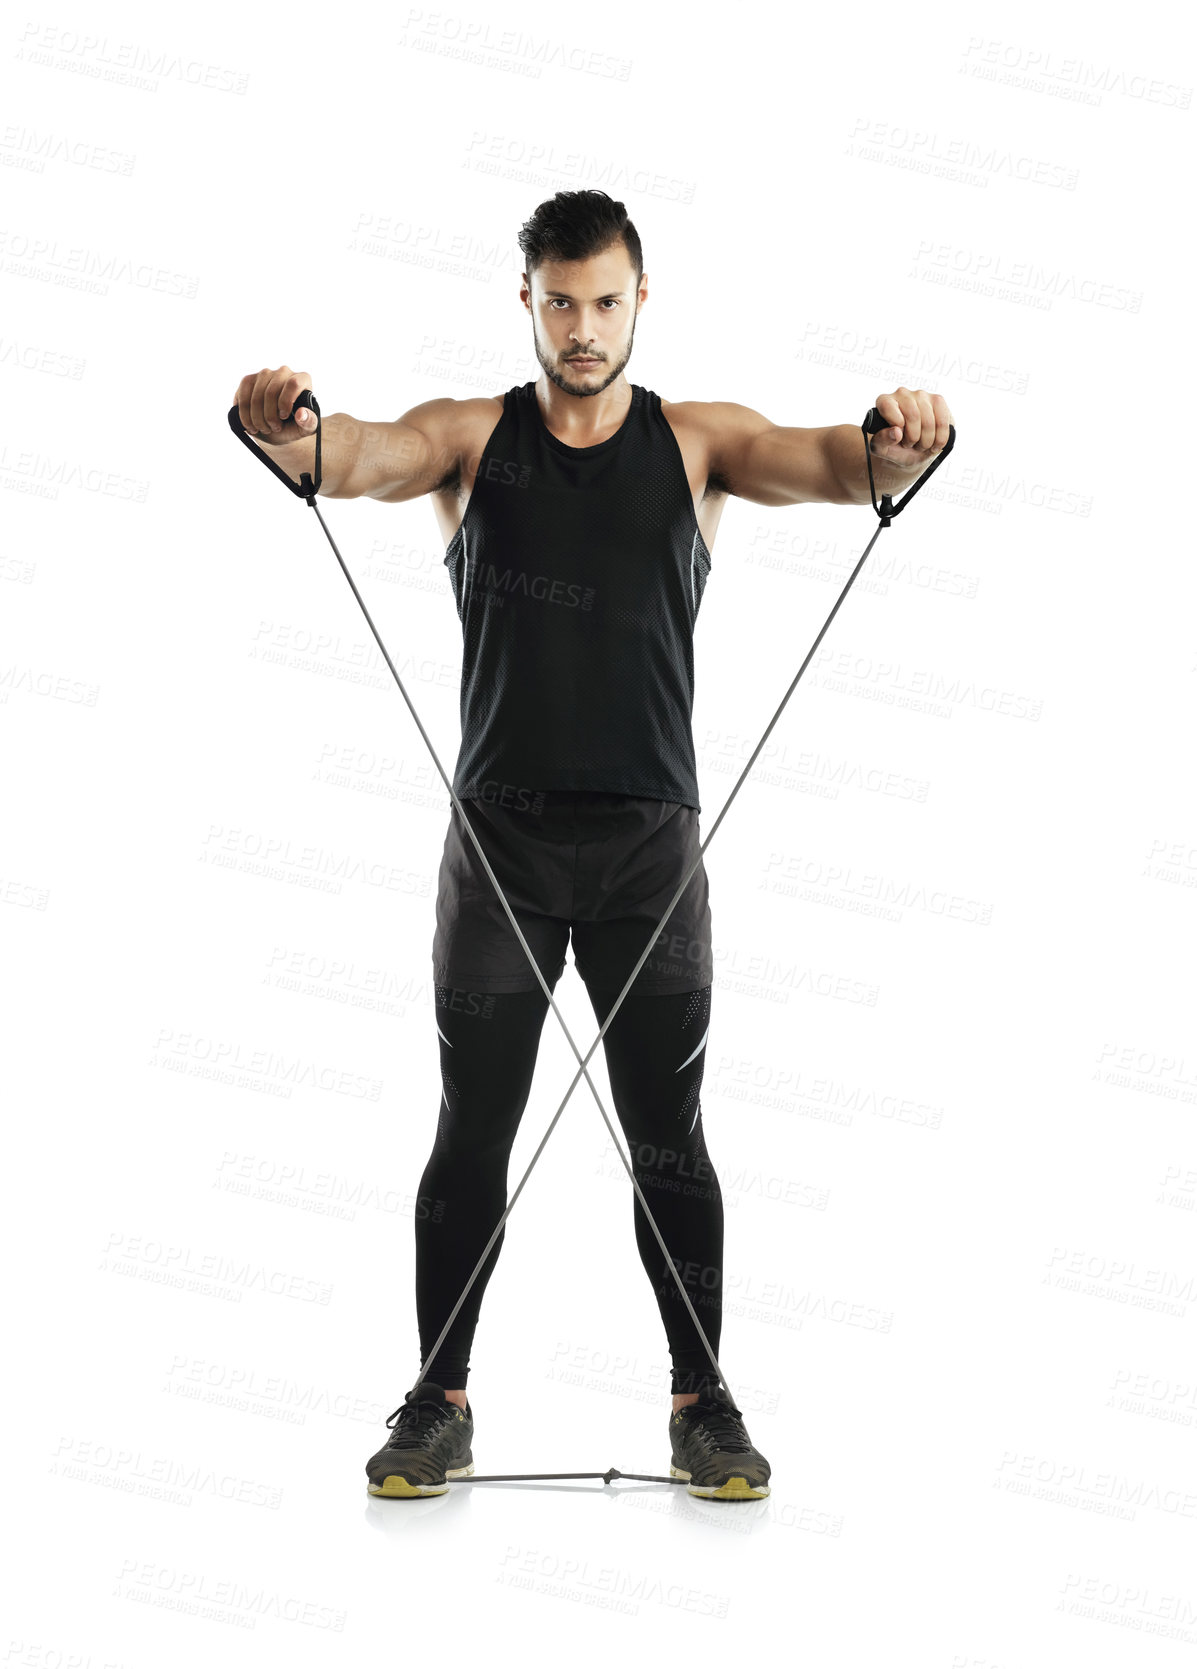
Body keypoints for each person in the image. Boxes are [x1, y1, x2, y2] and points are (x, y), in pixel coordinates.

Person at [232, 189, 953, 1503]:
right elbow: (355, 456)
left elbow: (847, 467)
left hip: (647, 857)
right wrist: (287, 426)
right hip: (497, 857)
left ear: (639, 299)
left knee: (666, 1130)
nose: (582, 327)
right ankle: (435, 1399)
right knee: (474, 1131)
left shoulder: (694, 442)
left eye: (605, 300)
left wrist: (909, 434)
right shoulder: (466, 440)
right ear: (527, 301)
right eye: (559, 301)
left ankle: (704, 1400)